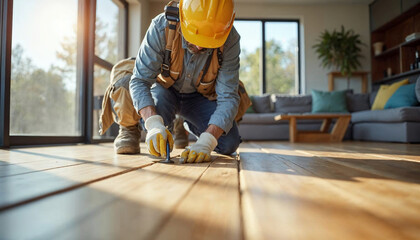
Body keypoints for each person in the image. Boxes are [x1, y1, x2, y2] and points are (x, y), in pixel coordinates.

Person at [100, 0, 250, 163]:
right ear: (182, 17)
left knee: (228, 144)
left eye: (207, 40)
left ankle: (186, 124)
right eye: (195, 36)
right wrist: (154, 124)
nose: (199, 47)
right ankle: (130, 128)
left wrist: (207, 141)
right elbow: (140, 81)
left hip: (199, 98)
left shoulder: (230, 39)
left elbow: (228, 97)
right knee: (159, 138)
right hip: (164, 90)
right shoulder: (161, 26)